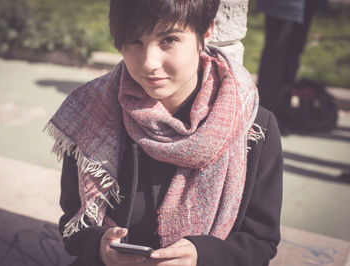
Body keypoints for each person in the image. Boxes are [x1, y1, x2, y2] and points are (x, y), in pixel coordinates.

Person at [45, 0, 283, 265]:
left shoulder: (254, 127)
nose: (149, 62)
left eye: (168, 39)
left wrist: (201, 256)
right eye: (134, 41)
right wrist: (100, 247)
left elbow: (261, 241)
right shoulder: (91, 111)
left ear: (205, 32)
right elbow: (73, 224)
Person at [255, 0, 320, 135]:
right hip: (283, 4)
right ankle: (264, 116)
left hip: (307, 4)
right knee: (275, 55)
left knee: (293, 55)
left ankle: (282, 112)